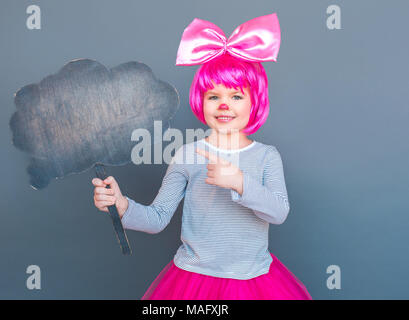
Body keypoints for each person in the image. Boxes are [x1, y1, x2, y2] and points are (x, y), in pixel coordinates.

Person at [92, 13, 312, 300]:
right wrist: (122, 206)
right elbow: (157, 218)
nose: (224, 105)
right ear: (201, 101)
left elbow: (278, 213)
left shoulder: (267, 157)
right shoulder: (187, 155)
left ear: (254, 101)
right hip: (194, 283)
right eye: (213, 96)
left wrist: (239, 181)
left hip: (254, 279)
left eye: (236, 96)